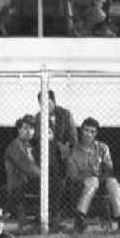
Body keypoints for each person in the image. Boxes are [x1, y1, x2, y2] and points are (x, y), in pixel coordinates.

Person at [66, 117, 120, 234]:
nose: (88, 134)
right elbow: (73, 175)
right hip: (82, 183)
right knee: (92, 181)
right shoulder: (74, 150)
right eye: (86, 130)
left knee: (113, 183)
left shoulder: (102, 148)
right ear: (81, 131)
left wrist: (99, 176)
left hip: (101, 180)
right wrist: (90, 176)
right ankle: (80, 217)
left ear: (96, 134)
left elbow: (109, 168)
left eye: (92, 131)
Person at [33, 89, 77, 230]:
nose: (45, 106)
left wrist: (58, 143)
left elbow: (72, 137)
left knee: (58, 185)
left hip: (62, 159)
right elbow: (36, 140)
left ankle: (54, 219)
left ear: (54, 101)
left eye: (48, 102)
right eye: (42, 103)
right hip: (45, 160)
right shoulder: (38, 117)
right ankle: (46, 218)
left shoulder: (65, 114)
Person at [4, 114, 41, 233]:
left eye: (31, 128)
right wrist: (46, 177)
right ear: (19, 129)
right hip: (18, 184)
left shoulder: (30, 146)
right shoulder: (15, 146)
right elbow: (28, 168)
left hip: (31, 182)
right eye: (25, 128)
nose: (28, 131)